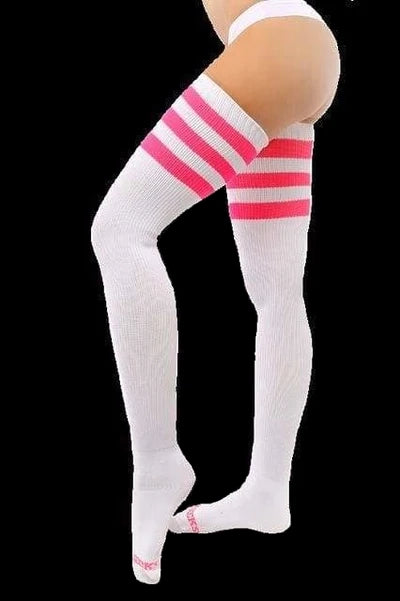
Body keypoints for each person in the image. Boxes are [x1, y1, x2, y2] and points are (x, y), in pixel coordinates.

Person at [91, 0, 341, 585]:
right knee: (278, 291)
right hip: (303, 48)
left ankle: (158, 463)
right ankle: (268, 490)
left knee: (121, 228)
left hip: (272, 42)